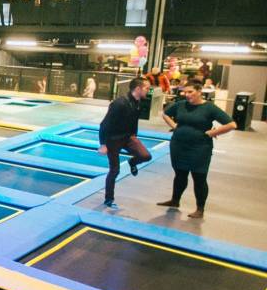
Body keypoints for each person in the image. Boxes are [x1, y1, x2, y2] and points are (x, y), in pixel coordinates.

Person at [158, 81, 237, 219]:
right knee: (180, 174)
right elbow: (165, 114)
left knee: (199, 177)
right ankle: (175, 200)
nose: (187, 95)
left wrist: (213, 132)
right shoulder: (180, 104)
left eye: (190, 92)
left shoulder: (209, 108)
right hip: (179, 145)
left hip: (200, 148)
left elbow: (231, 124)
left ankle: (200, 209)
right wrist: (174, 126)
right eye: (185, 92)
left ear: (199, 91)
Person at [97, 78, 154, 209]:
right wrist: (103, 144)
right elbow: (104, 124)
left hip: (128, 137)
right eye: (147, 88)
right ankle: (109, 199)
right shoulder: (119, 103)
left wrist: (134, 136)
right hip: (113, 139)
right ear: (138, 89)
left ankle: (132, 162)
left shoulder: (138, 102)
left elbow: (134, 121)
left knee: (145, 156)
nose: (148, 91)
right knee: (114, 170)